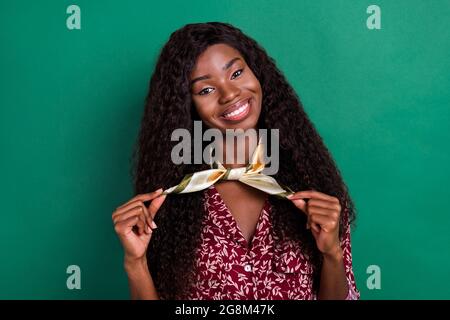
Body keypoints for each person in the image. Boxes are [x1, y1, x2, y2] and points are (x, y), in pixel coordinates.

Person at [112, 22, 360, 300]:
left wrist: (332, 254)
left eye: (237, 72)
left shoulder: (313, 183)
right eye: (206, 90)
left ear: (258, 74)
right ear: (188, 106)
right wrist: (135, 263)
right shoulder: (166, 205)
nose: (229, 94)